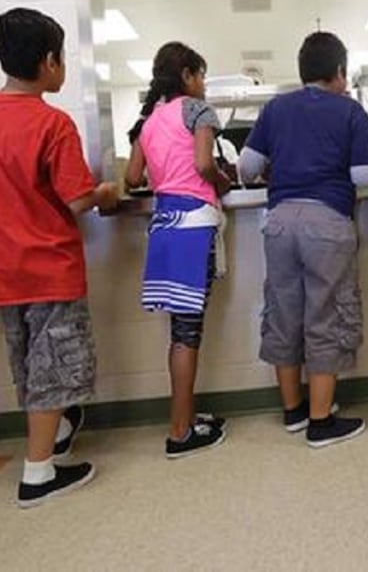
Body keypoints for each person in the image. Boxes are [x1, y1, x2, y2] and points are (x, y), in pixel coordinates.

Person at [0, 8, 118, 507]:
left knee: (27, 362)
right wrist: (106, 190)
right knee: (55, 370)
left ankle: (54, 438)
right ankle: (37, 475)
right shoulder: (52, 123)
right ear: (49, 61)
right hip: (47, 266)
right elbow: (79, 200)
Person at [238, 31, 368, 448]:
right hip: (327, 222)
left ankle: (294, 411)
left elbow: (246, 166)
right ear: (339, 71)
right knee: (326, 315)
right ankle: (322, 421)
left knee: (283, 313)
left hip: (279, 221)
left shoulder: (276, 108)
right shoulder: (350, 111)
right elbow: (365, 176)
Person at [125, 41, 230, 458]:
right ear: (187, 75)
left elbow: (133, 176)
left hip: (164, 229)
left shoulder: (149, 120)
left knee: (180, 332)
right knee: (188, 335)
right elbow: (205, 165)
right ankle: (180, 433)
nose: (203, 83)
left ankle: (183, 419)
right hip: (194, 228)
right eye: (200, 74)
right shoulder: (197, 110)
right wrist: (221, 182)